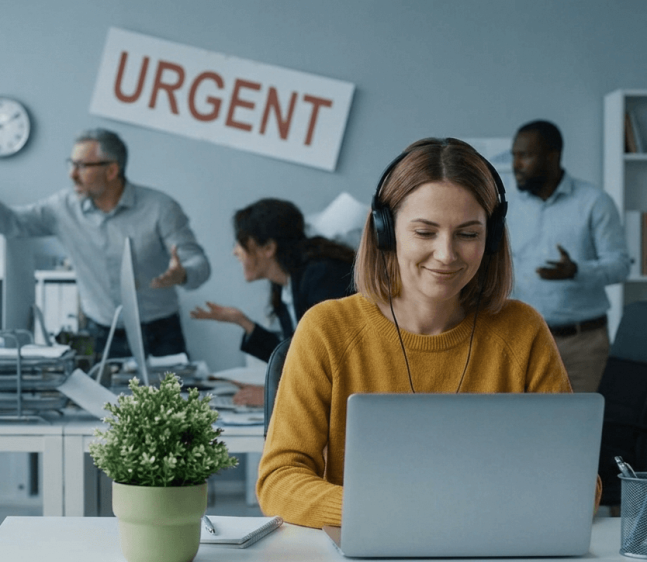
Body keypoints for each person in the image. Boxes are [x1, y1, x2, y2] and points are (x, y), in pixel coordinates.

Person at [256, 137, 596, 529]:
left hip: (493, 552)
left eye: (468, 234)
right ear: (386, 232)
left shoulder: (522, 331)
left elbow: (580, 485)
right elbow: (279, 481)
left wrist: (470, 514)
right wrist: (398, 512)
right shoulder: (327, 329)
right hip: (367, 549)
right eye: (425, 232)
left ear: (492, 238)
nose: (447, 254)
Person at [0, 128, 210, 359]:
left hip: (160, 334)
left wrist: (184, 273)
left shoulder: (160, 208)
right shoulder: (61, 209)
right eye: (72, 164)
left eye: (82, 166)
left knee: (170, 417)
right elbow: (11, 224)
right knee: (102, 418)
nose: (72, 174)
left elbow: (198, 262)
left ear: (112, 170)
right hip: (100, 335)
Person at [190, 198, 355, 405]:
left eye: (241, 243)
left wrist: (276, 394)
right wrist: (242, 322)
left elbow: (334, 364)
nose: (235, 252)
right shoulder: (287, 283)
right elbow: (293, 356)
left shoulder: (321, 276)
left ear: (268, 247)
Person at [508, 120, 630, 394]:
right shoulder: (508, 209)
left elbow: (621, 266)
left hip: (581, 344)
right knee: (523, 428)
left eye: (525, 155)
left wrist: (577, 271)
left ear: (553, 155)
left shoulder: (594, 202)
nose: (516, 164)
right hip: (523, 341)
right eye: (514, 155)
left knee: (579, 428)